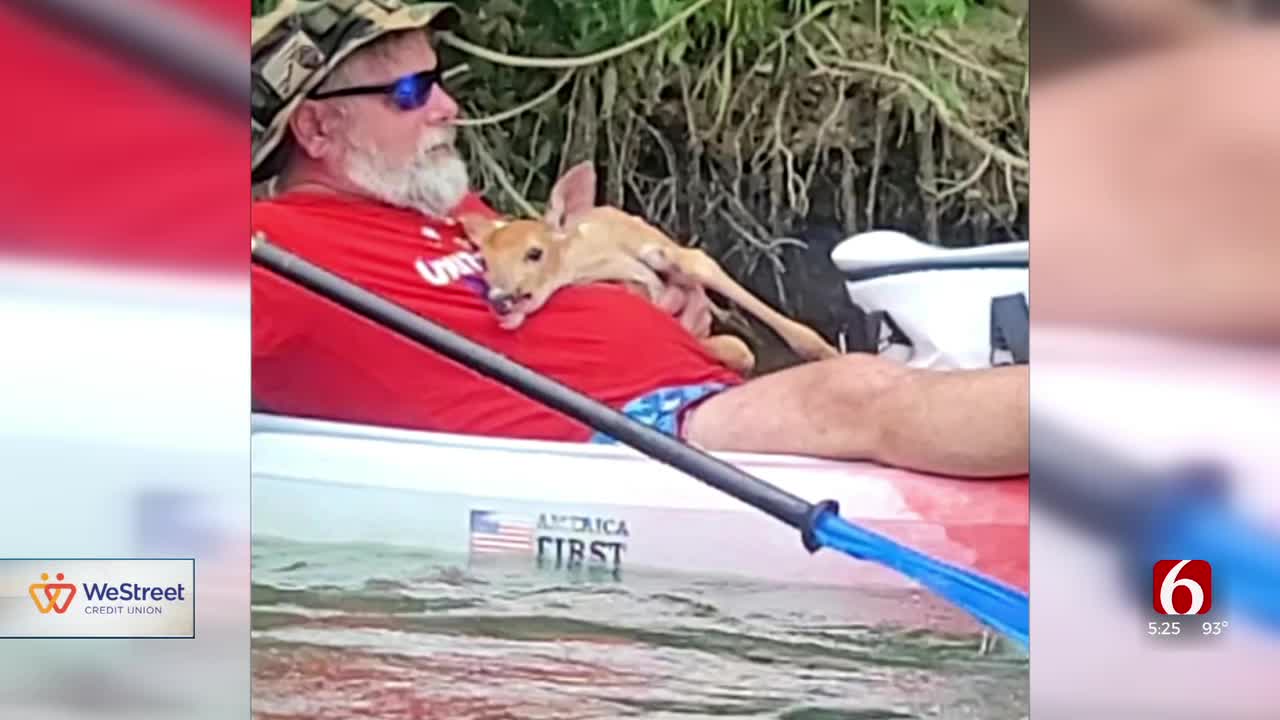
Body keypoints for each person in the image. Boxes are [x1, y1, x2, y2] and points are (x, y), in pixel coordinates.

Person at [250, 0, 1028, 478]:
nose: (447, 105)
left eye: (439, 78)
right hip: (634, 437)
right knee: (853, 389)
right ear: (316, 126)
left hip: (707, 396)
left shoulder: (461, 216)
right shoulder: (269, 247)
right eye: (412, 92)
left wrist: (650, 298)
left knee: (882, 371)